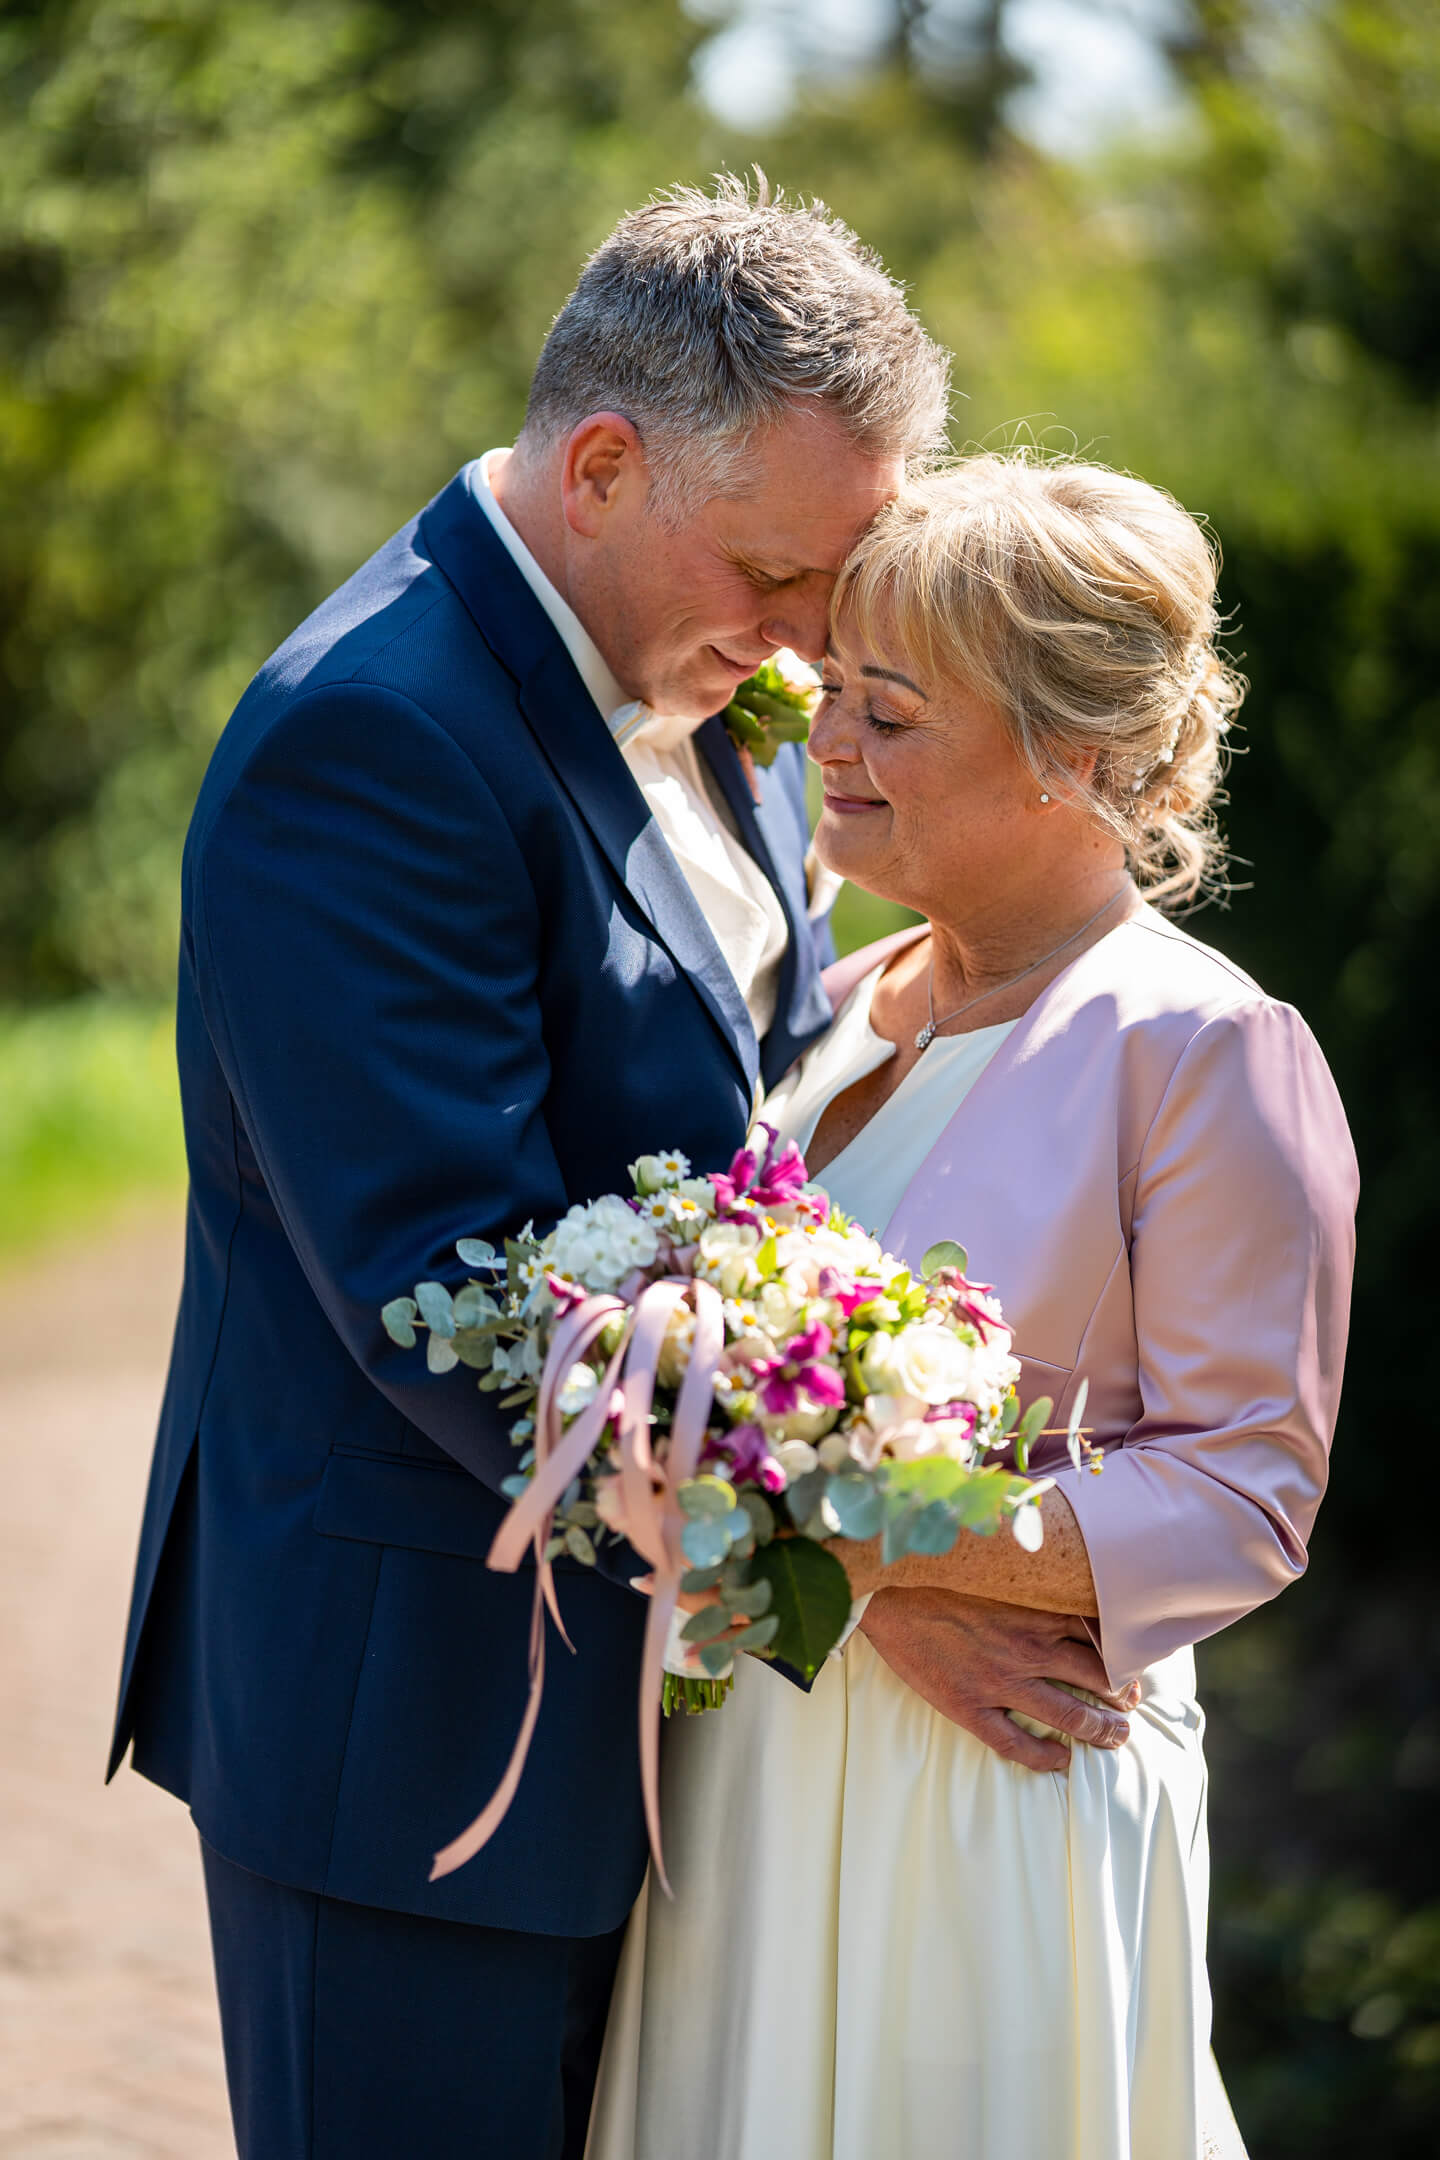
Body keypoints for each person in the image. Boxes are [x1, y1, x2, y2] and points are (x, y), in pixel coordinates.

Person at [106, 178, 962, 2158]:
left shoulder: (703, 676)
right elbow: (462, 1283)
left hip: (661, 1710)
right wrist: (857, 1548)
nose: (814, 645)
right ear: (599, 467)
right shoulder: (372, 740)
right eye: (780, 575)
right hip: (418, 1734)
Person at [587, 452, 1358, 2160]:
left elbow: (1245, 1489)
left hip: (983, 1793)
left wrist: (858, 1556)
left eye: (893, 712)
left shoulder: (1202, 1046)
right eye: (832, 695)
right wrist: (837, 1584)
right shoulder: (838, 1001)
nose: (829, 753)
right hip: (754, 1768)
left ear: (1077, 755)